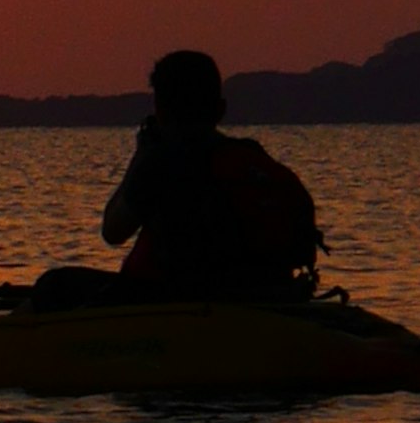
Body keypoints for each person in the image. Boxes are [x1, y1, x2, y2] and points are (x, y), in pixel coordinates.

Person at [95, 50, 319, 298]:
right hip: (267, 296)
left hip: (178, 301)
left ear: (160, 110)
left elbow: (113, 232)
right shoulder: (255, 160)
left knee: (55, 285)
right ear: (220, 110)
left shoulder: (159, 162)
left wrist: (141, 155)